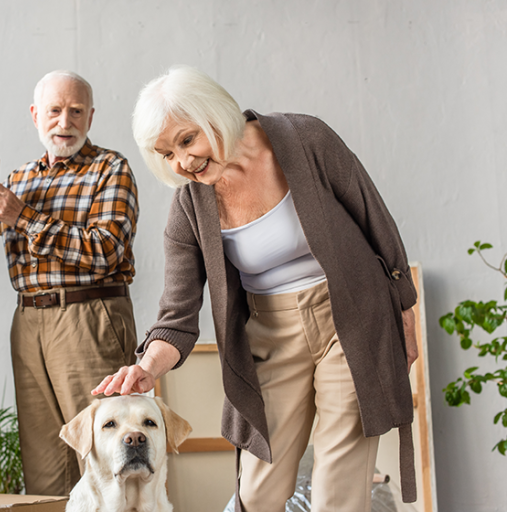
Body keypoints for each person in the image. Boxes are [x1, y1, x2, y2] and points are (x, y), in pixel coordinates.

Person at [93, 66, 418, 512]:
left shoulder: (306, 140)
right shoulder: (189, 207)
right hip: (272, 331)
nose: (182, 162)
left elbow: (374, 219)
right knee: (259, 490)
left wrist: (404, 310)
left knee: (337, 488)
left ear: (215, 114)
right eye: (166, 153)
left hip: (351, 317)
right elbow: (177, 313)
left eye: (187, 140)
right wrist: (147, 367)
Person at [0, 70, 139, 496]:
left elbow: (105, 251)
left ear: (90, 117)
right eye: (55, 110)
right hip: (29, 321)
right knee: (45, 462)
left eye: (75, 111)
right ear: (36, 115)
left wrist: (22, 216)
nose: (64, 121)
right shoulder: (20, 179)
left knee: (108, 455)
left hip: (89, 317)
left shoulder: (110, 169)